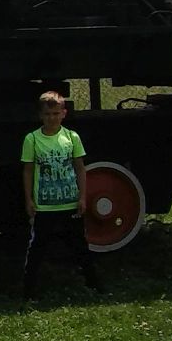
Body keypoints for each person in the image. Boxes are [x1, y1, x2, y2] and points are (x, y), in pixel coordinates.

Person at [22, 90, 99, 297]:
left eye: (56, 113)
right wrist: (28, 199)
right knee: (37, 247)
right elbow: (28, 170)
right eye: (47, 114)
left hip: (69, 202)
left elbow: (80, 168)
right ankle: (28, 291)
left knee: (80, 245)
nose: (52, 118)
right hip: (44, 205)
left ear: (63, 113)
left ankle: (93, 284)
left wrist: (82, 197)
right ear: (40, 115)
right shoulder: (32, 139)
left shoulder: (72, 137)